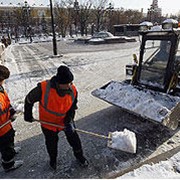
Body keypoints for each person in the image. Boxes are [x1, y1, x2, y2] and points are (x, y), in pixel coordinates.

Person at [24, 65, 88, 170]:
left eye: (70, 83)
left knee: (75, 140)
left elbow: (72, 107)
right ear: (58, 83)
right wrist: (28, 115)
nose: (69, 85)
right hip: (48, 124)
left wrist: (69, 119)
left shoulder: (73, 90)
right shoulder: (43, 88)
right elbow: (29, 99)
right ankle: (53, 161)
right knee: (51, 145)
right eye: (66, 83)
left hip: (64, 122)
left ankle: (80, 157)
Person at [0, 65, 23, 172]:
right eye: (3, 80)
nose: (4, 82)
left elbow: (6, 103)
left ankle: (12, 150)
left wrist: (12, 112)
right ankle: (9, 165)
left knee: (10, 138)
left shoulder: (0, 89)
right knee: (5, 146)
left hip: (6, 124)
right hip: (1, 128)